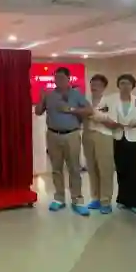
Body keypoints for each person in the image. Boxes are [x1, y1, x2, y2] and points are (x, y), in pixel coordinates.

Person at [35, 67, 93, 215]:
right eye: (56, 78)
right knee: (56, 168)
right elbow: (38, 112)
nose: (58, 80)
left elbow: (89, 110)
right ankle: (59, 198)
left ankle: (77, 200)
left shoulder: (76, 94)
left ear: (68, 79)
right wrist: (41, 98)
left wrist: (71, 109)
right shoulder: (49, 95)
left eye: (61, 78)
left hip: (71, 134)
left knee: (74, 168)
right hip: (53, 135)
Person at [102, 74, 136, 213]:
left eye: (128, 83)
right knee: (121, 170)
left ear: (132, 86)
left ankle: (135, 202)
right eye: (122, 83)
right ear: (118, 85)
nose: (125, 86)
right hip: (118, 137)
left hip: (134, 139)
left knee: (133, 170)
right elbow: (102, 114)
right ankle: (122, 199)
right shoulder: (111, 100)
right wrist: (109, 122)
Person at [82, 74, 116, 214]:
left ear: (104, 87)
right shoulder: (85, 101)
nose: (94, 87)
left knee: (105, 169)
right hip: (88, 135)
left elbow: (112, 122)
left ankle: (105, 201)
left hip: (104, 136)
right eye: (92, 84)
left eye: (98, 85)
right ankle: (95, 198)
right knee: (92, 168)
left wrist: (94, 115)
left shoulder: (110, 101)